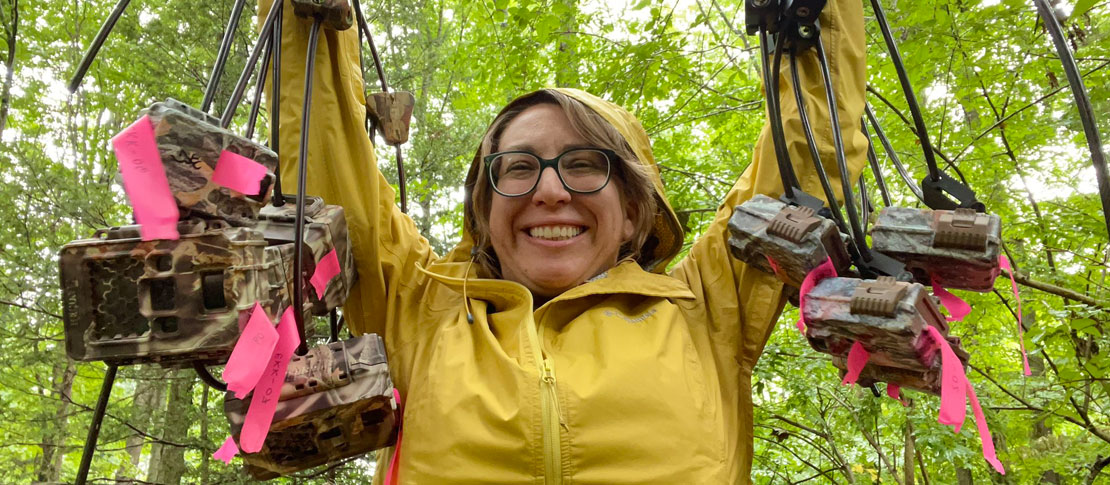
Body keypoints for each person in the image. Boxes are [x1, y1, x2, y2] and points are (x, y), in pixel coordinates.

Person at [260, 0, 868, 482]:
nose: (550, 191)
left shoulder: (707, 310)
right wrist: (304, 20)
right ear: (486, 210)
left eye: (583, 164)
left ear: (634, 212)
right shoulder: (418, 308)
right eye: (519, 168)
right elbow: (329, 160)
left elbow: (806, 157)